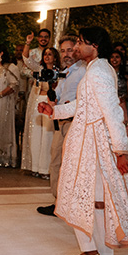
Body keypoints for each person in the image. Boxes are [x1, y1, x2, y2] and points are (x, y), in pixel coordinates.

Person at [38, 26, 128, 255]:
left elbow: (112, 112)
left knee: (85, 197)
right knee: (95, 200)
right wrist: (56, 111)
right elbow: (85, 104)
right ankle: (101, 254)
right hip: (91, 143)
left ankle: (95, 252)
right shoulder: (95, 69)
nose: (77, 47)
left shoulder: (98, 70)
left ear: (95, 46)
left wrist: (121, 151)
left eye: (81, 42)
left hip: (94, 145)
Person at [37, 36, 87, 216]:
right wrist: (49, 103)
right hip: (61, 121)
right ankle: (59, 202)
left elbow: (82, 100)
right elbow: (57, 95)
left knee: (73, 164)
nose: (67, 54)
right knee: (56, 161)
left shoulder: (84, 71)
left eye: (70, 50)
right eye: (63, 51)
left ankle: (74, 204)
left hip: (76, 122)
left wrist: (64, 104)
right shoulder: (65, 72)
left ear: (78, 50)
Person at [21, 43, 61, 178]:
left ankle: (46, 169)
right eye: (45, 54)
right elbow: (26, 59)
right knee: (36, 134)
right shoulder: (39, 69)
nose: (47, 56)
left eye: (50, 54)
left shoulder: (59, 71)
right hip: (38, 101)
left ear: (55, 57)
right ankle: (35, 167)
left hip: (51, 103)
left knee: (47, 135)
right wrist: (28, 43)